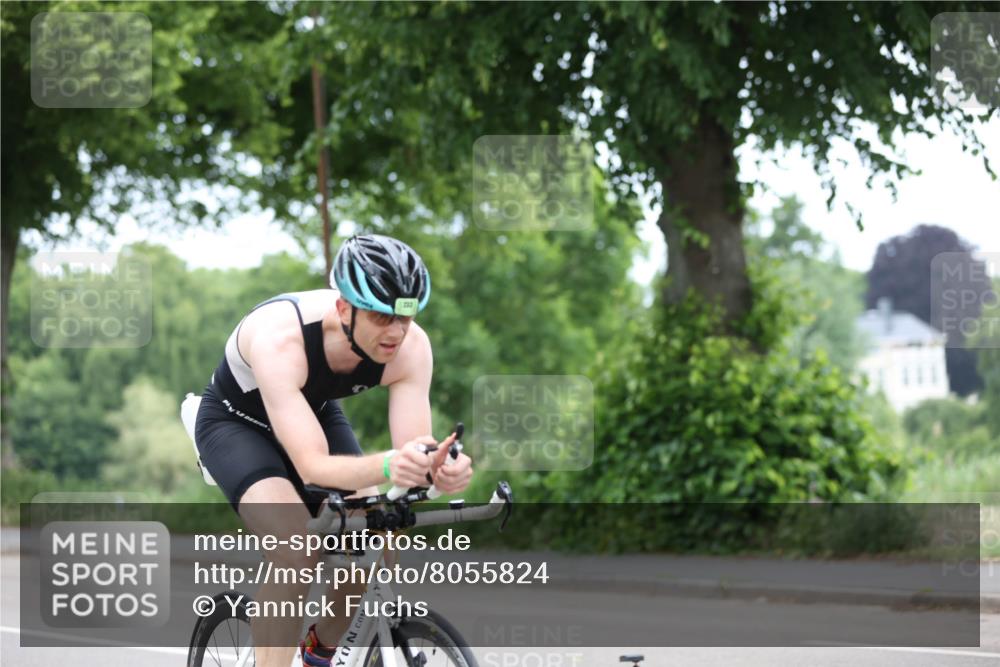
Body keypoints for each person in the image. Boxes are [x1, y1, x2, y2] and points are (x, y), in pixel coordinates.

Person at [194, 234, 474, 667]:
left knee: (379, 536)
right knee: (295, 547)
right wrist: (388, 465)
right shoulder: (281, 339)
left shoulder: (411, 347)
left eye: (405, 316)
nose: (396, 332)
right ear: (343, 309)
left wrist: (437, 468)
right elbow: (313, 466)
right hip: (236, 425)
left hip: (313, 412)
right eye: (382, 317)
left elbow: (414, 448)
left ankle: (319, 650)